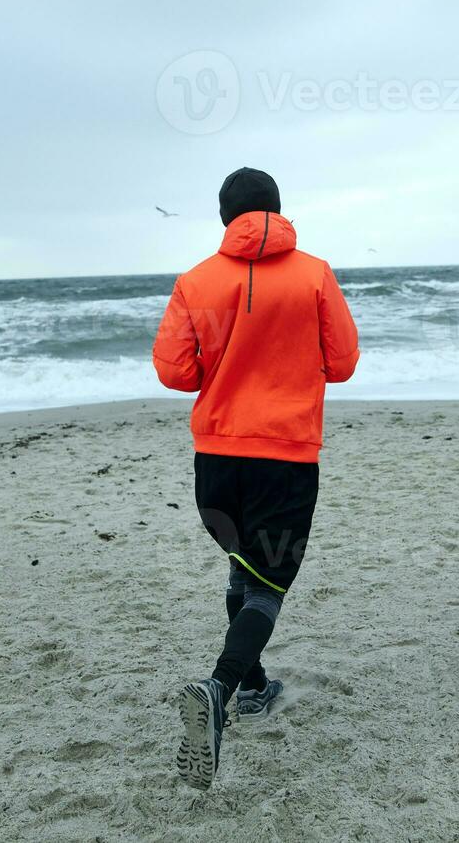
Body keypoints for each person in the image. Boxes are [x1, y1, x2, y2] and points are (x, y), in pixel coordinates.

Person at [152, 167, 360, 790]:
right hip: (286, 456)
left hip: (215, 461)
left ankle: (255, 687)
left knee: (245, 567)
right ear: (278, 212)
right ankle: (219, 688)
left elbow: (174, 373)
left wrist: (227, 362)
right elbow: (343, 363)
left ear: (225, 219)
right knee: (267, 585)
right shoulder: (314, 273)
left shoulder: (195, 280)